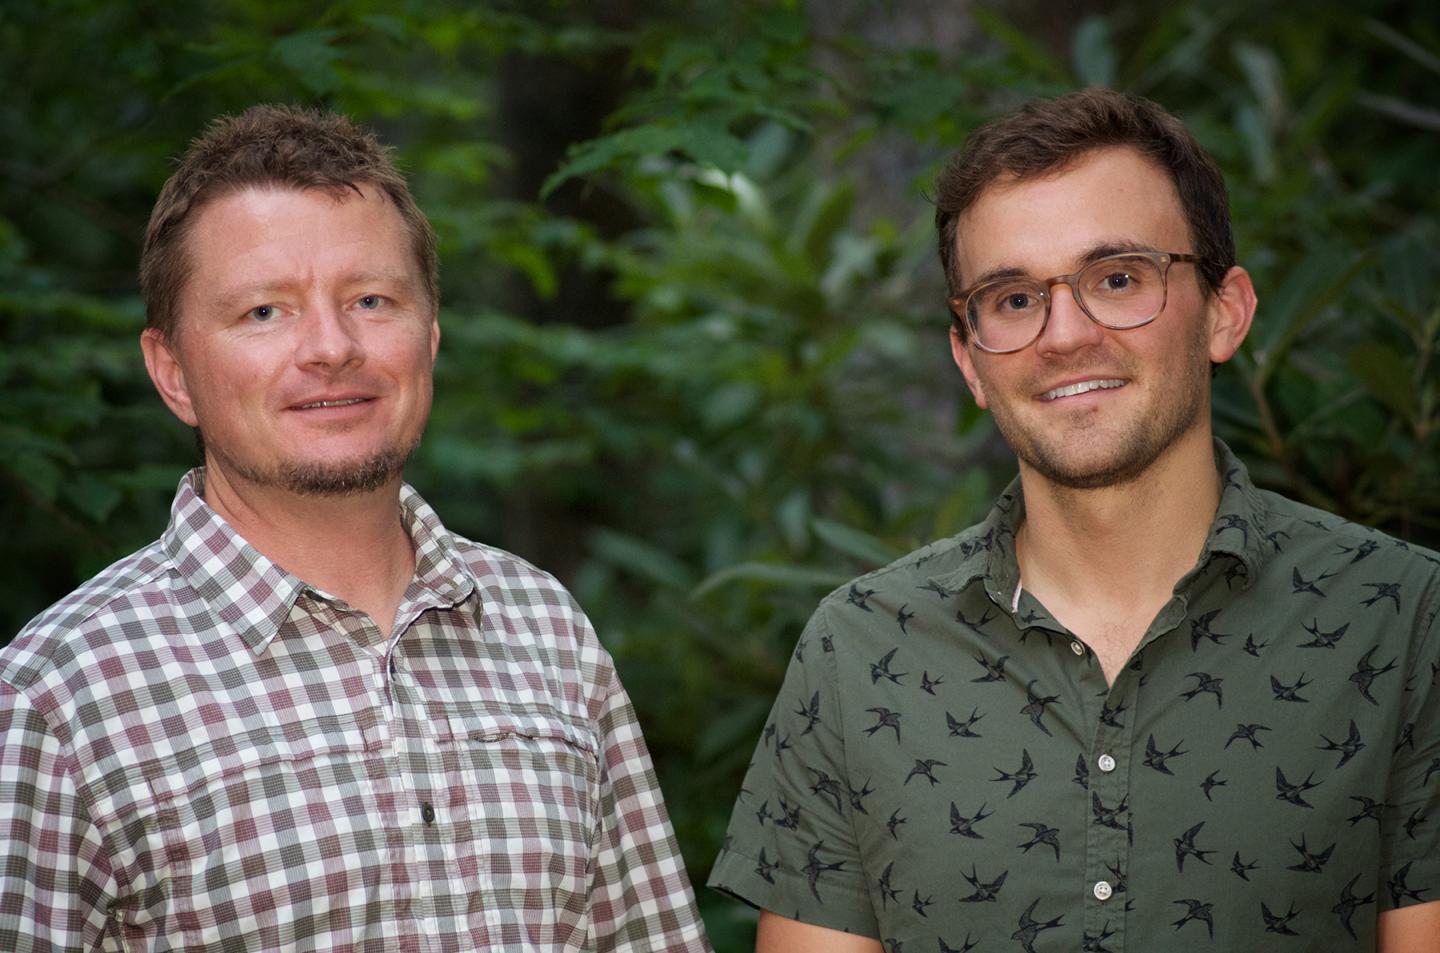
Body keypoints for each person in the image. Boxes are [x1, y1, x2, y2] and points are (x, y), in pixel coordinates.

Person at [708, 88, 1440, 952]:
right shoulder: (860, 651)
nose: (1063, 334)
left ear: (1225, 311)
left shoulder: (1402, 619)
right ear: (968, 359)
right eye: (1013, 298)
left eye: (1117, 278)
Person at [0, 105, 711, 953]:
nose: (331, 347)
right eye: (266, 311)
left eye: (371, 299)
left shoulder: (546, 628)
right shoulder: (57, 696)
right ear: (173, 371)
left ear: (432, 337)